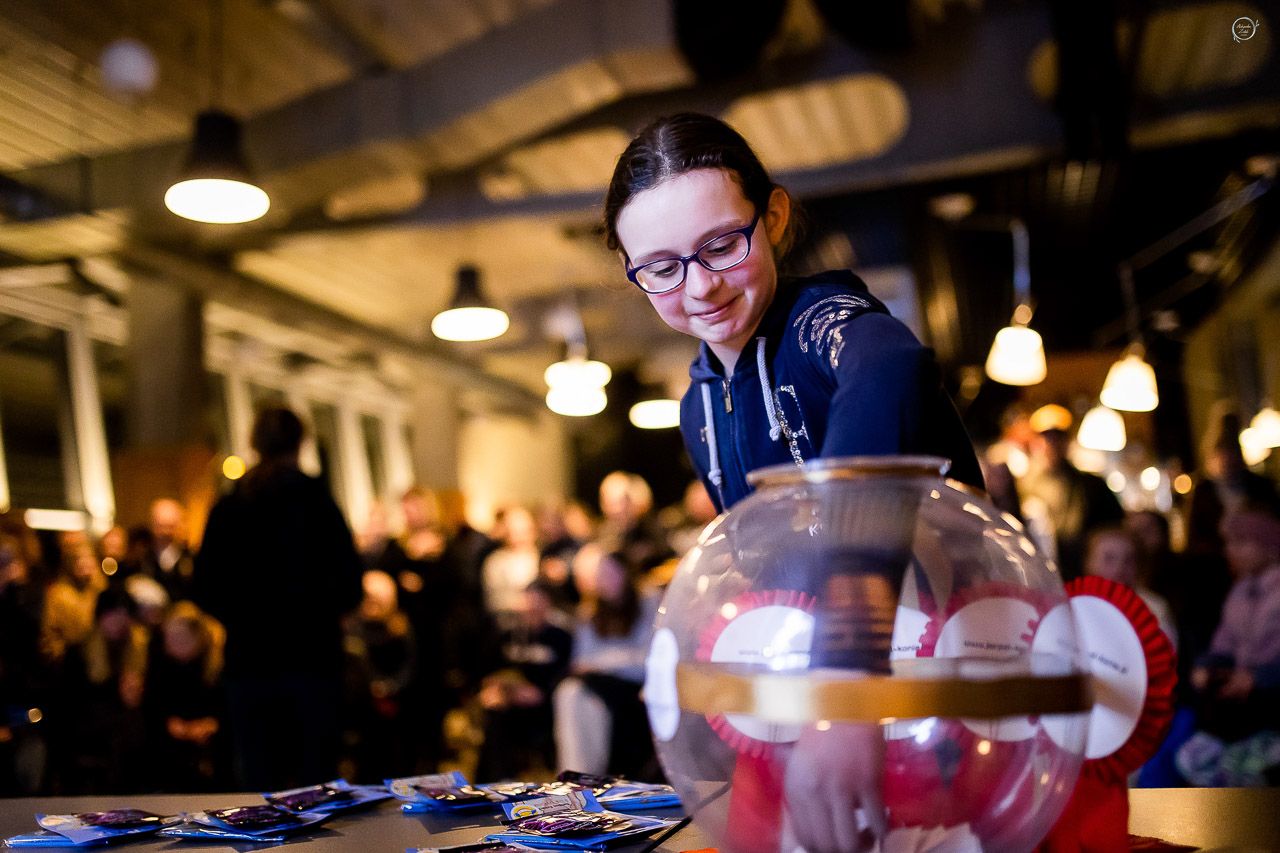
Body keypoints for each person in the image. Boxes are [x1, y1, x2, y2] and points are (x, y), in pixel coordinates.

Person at [604, 112, 984, 850]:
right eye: (661, 268)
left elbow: (889, 364)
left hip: (952, 698)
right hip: (823, 724)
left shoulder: (819, 323)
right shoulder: (697, 407)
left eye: (723, 244)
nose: (700, 286)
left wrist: (845, 679)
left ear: (774, 217)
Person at [193, 406, 363, 790]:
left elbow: (204, 586)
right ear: (300, 444)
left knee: (259, 783)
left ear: (254, 444)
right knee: (316, 782)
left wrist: (241, 617)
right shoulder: (319, 504)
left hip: (250, 660)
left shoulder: (232, 505)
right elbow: (350, 585)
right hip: (313, 659)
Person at [1018, 404, 1125, 581]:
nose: (1052, 444)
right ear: (1035, 442)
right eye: (1046, 438)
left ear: (1067, 442)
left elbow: (1115, 526)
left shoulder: (1091, 485)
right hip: (1036, 574)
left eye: (1058, 438)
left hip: (1083, 575)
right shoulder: (1022, 486)